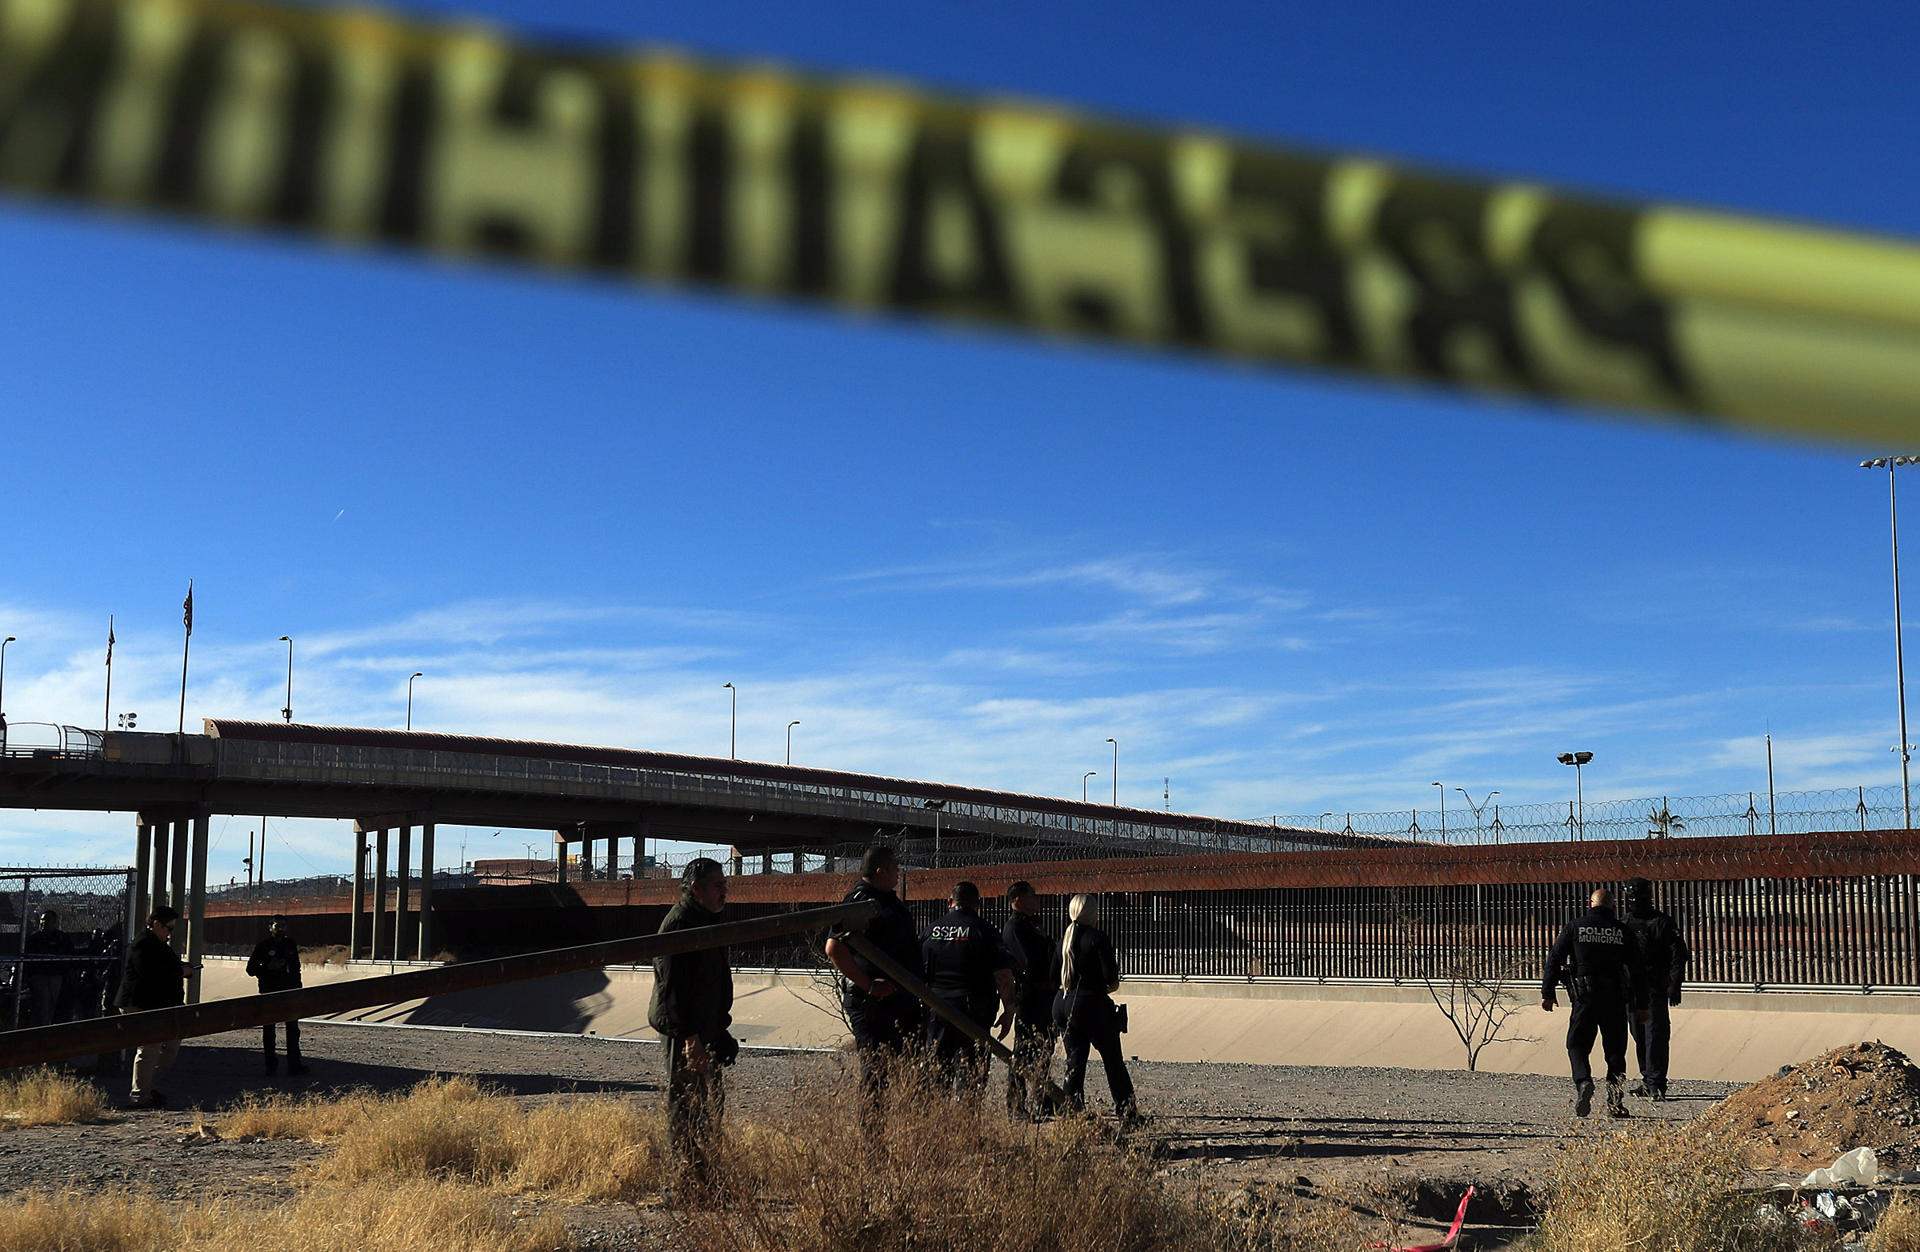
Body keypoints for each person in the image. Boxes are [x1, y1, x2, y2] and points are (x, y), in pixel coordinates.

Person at [647, 857, 734, 1196]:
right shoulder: (680, 924)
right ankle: (683, 1186)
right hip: (685, 1033)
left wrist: (720, 1028)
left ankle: (704, 1180)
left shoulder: (708, 919)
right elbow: (673, 992)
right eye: (718, 885)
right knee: (685, 1107)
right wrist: (690, 1039)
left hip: (706, 1028)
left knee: (710, 1106)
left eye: (725, 884)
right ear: (696, 889)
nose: (724, 891)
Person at [825, 845, 925, 1113]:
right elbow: (834, 948)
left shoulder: (886, 900)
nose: (898, 873)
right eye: (895, 868)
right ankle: (874, 1146)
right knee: (877, 1075)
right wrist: (868, 985)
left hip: (899, 1002)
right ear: (881, 871)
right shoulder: (860, 901)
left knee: (911, 1070)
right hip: (873, 1004)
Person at [1541, 886, 1645, 1118]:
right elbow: (1637, 970)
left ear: (1590, 905)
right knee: (1616, 1052)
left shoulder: (1575, 927)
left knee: (1576, 1045)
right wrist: (1642, 1005)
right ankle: (1615, 1103)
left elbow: (1554, 959)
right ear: (1614, 907)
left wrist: (1548, 992)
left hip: (1585, 998)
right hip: (1615, 999)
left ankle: (1583, 1081)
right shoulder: (1622, 931)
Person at [921, 880, 1015, 1097]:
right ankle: (966, 1125)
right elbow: (1003, 974)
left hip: (937, 1009)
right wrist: (1008, 1010)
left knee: (936, 1075)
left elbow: (916, 971)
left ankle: (936, 1125)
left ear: (949, 902)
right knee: (970, 1074)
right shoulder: (984, 930)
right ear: (977, 904)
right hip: (973, 1011)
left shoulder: (931, 930)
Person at [1054, 893, 1137, 1124]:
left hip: (1063, 1003)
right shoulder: (1097, 938)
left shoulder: (1063, 941)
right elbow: (1111, 978)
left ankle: (1071, 1111)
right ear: (1093, 913)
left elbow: (1054, 977)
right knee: (1113, 1060)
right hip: (1091, 1005)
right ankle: (1127, 1112)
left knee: (1075, 1061)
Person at [116, 906, 201, 1109]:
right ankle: (140, 1095)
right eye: (168, 928)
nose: (170, 933)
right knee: (150, 1047)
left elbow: (165, 968)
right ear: (156, 925)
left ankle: (146, 1088)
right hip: (142, 1004)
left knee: (170, 1045)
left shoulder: (159, 944)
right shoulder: (142, 944)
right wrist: (180, 972)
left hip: (159, 1004)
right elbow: (151, 975)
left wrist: (181, 970)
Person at [1622, 877, 1690, 1101]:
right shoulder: (1625, 923)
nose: (1634, 900)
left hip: (1654, 987)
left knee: (1655, 1036)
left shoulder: (1662, 922)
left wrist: (1674, 984)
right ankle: (1647, 1079)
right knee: (1639, 1035)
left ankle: (1657, 1083)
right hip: (1632, 989)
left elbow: (1678, 955)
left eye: (1637, 896)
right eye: (1630, 896)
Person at [1001, 880, 1059, 1119]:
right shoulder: (1015, 928)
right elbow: (1028, 963)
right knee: (1024, 1050)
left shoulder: (1032, 925)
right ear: (1018, 901)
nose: (1037, 900)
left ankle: (1043, 1098)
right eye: (1032, 896)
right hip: (1030, 996)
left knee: (1044, 1049)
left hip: (1043, 996)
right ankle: (1016, 1104)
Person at [246, 915, 307, 1075]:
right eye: (277, 925)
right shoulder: (263, 946)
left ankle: (294, 1065)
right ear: (270, 927)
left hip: (289, 991)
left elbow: (296, 968)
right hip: (269, 991)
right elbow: (250, 969)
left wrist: (298, 988)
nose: (280, 928)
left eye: (283, 926)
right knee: (269, 1030)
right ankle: (270, 1066)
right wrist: (268, 967)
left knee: (293, 1030)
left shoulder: (290, 944)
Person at [22, 909, 70, 1027]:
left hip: (55, 976)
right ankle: (42, 1029)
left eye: (47, 920)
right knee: (42, 1006)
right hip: (40, 976)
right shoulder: (35, 938)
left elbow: (68, 955)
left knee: (53, 1004)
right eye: (42, 920)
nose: (43, 922)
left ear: (54, 922)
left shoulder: (61, 938)